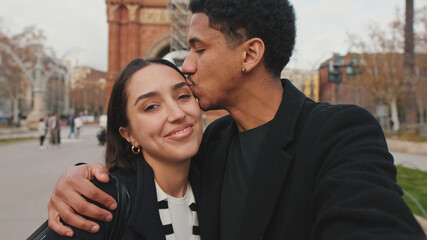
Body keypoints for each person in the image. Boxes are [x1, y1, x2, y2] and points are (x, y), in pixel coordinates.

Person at [47, 0, 427, 239]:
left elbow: (372, 219)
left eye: (198, 48)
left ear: (250, 54)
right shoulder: (213, 140)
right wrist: (80, 178)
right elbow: (147, 169)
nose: (187, 65)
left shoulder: (339, 133)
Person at [45, 58, 203, 239]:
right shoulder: (96, 204)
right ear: (128, 134)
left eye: (183, 96)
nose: (178, 113)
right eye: (151, 106)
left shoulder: (219, 179)